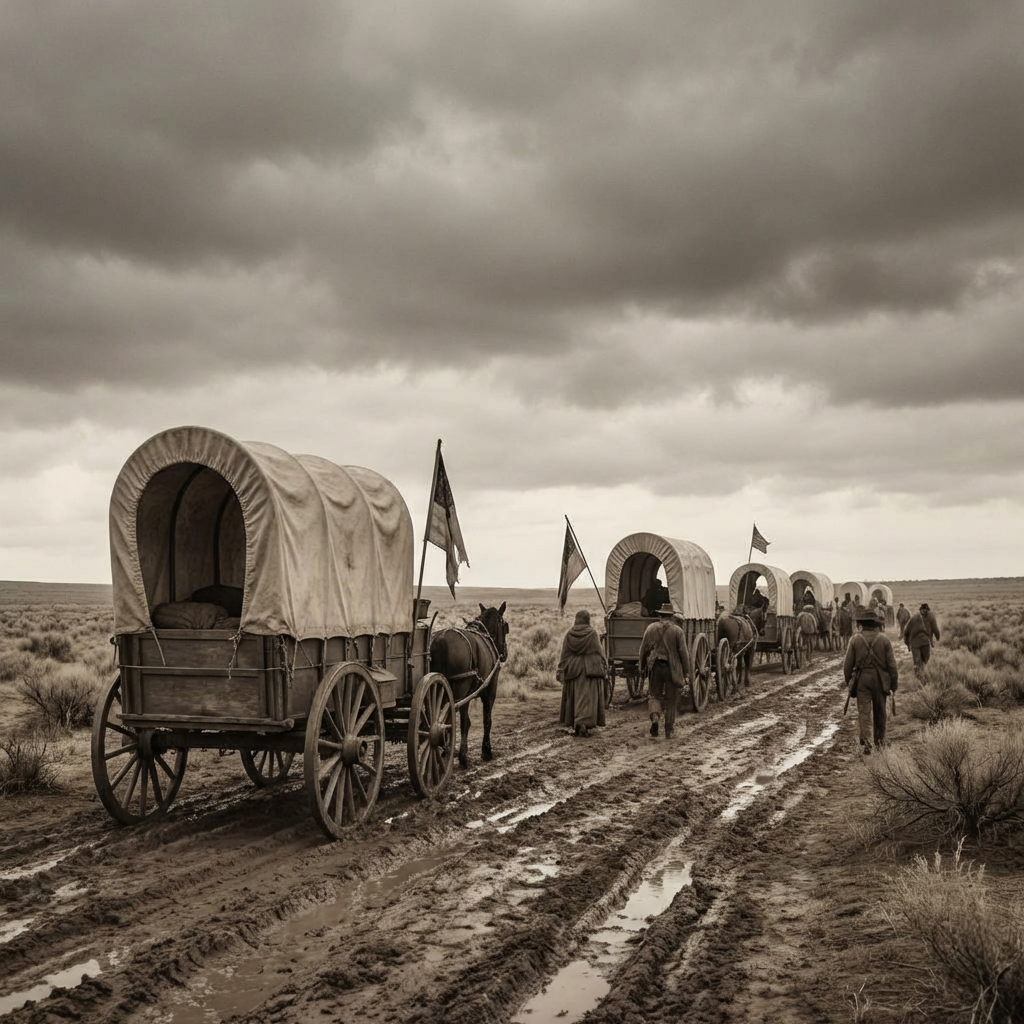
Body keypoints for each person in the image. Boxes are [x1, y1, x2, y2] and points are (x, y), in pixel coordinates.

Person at [844, 607, 899, 754]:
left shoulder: (855, 640)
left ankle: (867, 743)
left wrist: (850, 683)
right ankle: (880, 743)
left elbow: (847, 666)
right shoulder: (884, 639)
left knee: (864, 712)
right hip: (881, 680)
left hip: (862, 680)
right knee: (880, 712)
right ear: (876, 624)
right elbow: (892, 665)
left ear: (862, 624)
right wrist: (894, 684)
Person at [638, 605, 691, 739]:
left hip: (655, 667)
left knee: (654, 695)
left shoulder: (651, 628)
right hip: (671, 669)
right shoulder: (677, 631)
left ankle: (655, 719)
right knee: (671, 699)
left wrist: (641, 667)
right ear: (672, 616)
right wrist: (686, 671)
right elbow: (684, 654)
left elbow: (643, 649)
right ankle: (669, 730)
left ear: (660, 615)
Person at [557, 610, 608, 737]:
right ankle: (584, 723)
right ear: (587, 619)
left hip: (574, 671)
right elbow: (598, 651)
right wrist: (604, 665)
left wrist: (561, 670)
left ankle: (577, 722)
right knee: (588, 699)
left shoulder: (569, 634)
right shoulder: (592, 633)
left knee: (575, 697)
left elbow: (564, 654)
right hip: (590, 669)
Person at [903, 602, 940, 675]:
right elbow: (935, 629)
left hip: (915, 643)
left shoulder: (914, 617)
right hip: (925, 641)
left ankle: (917, 677)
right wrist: (937, 638)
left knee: (917, 662)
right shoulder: (931, 616)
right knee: (925, 661)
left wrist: (907, 642)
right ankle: (923, 675)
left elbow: (906, 630)